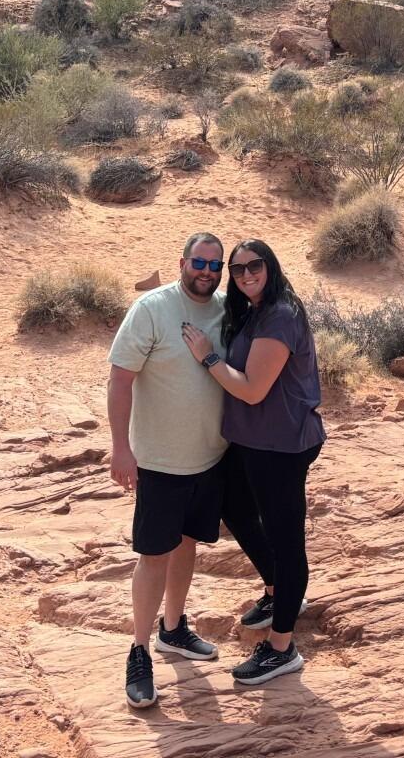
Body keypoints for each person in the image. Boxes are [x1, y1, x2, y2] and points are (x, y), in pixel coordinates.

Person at [180, 238, 325, 687]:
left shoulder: (280, 314)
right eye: (236, 269)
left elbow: (252, 390)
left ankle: (282, 647)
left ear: (271, 266)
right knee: (236, 508)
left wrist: (206, 356)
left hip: (282, 444)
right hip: (255, 441)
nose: (245, 275)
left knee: (286, 539)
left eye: (254, 266)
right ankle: (277, 589)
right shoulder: (254, 309)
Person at [107, 232, 229, 708]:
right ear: (182, 262)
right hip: (158, 461)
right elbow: (120, 379)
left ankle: (173, 629)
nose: (207, 271)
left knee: (188, 543)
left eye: (215, 265)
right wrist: (121, 448)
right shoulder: (152, 309)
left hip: (209, 457)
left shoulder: (224, 310)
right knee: (153, 555)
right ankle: (139, 650)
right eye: (199, 262)